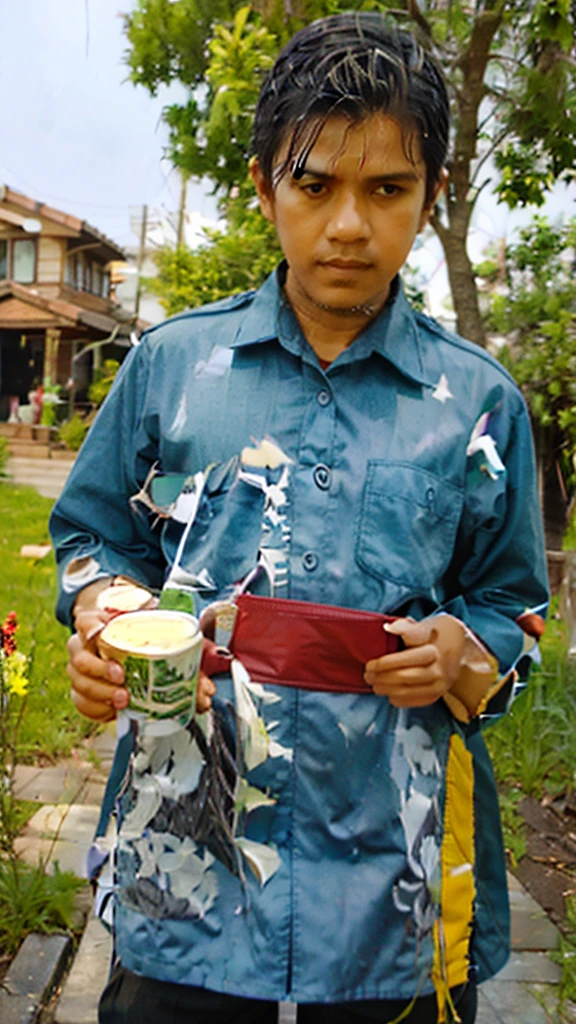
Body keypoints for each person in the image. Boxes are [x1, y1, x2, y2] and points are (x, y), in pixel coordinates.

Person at [50, 12, 548, 1024]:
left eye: (389, 188)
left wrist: (464, 651)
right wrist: (105, 611)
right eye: (316, 185)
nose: (351, 224)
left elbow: (514, 606)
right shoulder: (171, 370)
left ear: (434, 195)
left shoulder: (479, 405)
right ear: (264, 185)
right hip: (184, 862)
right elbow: (90, 534)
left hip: (391, 887)